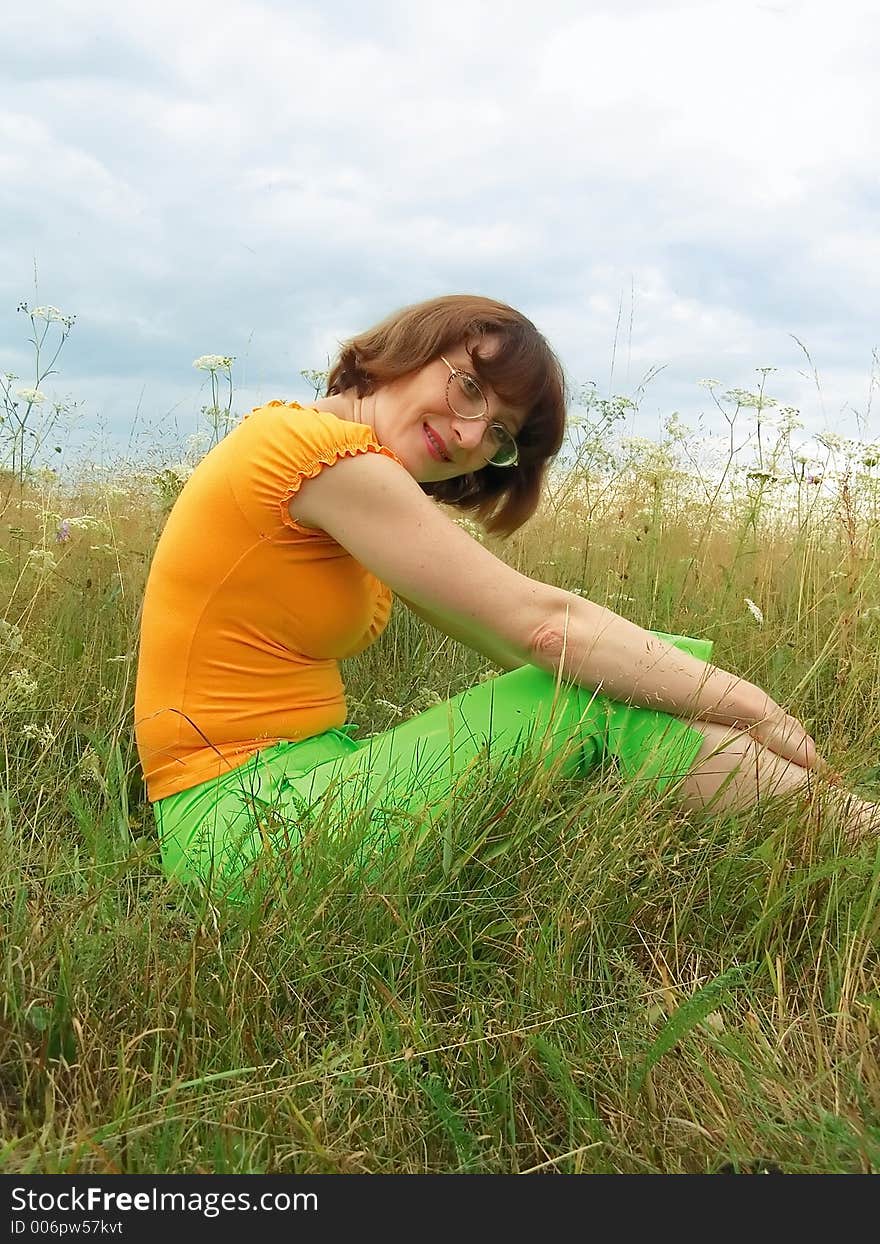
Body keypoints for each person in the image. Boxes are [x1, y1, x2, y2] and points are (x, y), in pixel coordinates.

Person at [134, 294, 876, 898]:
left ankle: (850, 840)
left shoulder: (342, 475)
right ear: (410, 346)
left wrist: (687, 692)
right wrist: (754, 705)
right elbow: (543, 629)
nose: (467, 435)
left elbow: (527, 644)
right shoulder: (310, 452)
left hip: (294, 791)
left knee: (604, 691)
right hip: (239, 832)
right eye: (469, 386)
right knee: (587, 698)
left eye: (499, 433)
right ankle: (858, 839)